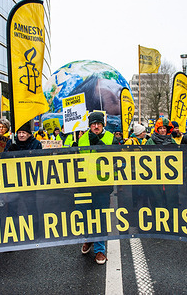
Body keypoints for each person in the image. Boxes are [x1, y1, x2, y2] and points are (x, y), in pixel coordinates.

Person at [79, 112, 114, 265]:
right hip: (85, 184)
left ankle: (100, 249)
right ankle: (88, 239)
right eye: (93, 123)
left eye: (99, 123)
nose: (96, 126)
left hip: (103, 186)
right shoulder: (82, 139)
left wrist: (99, 146)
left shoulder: (111, 138)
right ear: (89, 125)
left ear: (103, 124)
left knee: (100, 217)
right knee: (85, 215)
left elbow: (117, 158)